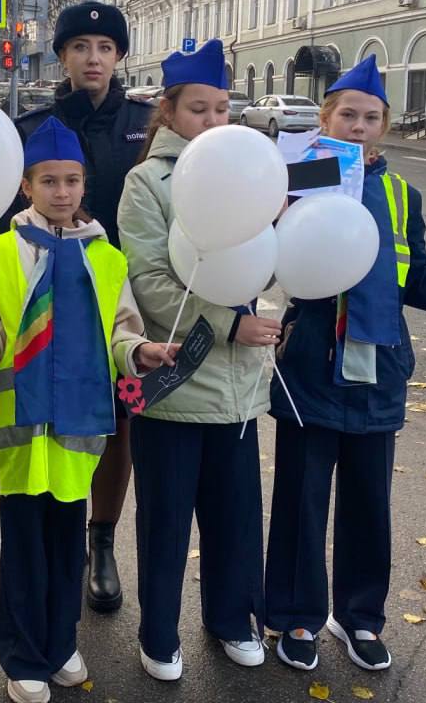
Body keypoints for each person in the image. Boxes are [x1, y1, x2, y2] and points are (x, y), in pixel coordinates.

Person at [264, 56, 426, 674]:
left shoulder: (404, 195)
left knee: (368, 506)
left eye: (370, 117)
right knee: (301, 501)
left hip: (379, 371)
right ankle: (294, 616)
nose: (358, 126)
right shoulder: (300, 178)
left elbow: (421, 285)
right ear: (325, 119)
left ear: (382, 126)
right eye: (347, 114)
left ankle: (359, 618)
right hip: (311, 365)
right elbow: (264, 263)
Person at [0, 116, 177, 703]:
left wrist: (144, 352)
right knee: (25, 543)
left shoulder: (106, 259)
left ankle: (59, 644)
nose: (62, 192)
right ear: (25, 187)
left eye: (73, 180)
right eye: (49, 181)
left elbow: (121, 334)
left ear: (85, 186)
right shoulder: (0, 253)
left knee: (66, 541)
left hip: (81, 428)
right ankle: (23, 653)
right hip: (23, 426)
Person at [116, 39, 281, 682]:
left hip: (239, 388)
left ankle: (230, 618)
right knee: (165, 521)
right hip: (174, 382)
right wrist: (229, 326)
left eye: (221, 109)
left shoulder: (246, 171)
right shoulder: (147, 183)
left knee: (235, 516)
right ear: (168, 112)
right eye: (198, 110)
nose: (213, 121)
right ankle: (159, 634)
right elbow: (153, 281)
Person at [0, 1, 153, 614]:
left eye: (105, 47)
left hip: (119, 294)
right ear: (61, 56)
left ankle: (102, 538)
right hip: (45, 302)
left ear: (118, 56)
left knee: (116, 423)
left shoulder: (145, 122)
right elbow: (0, 219)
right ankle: (53, 525)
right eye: (80, 46)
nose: (93, 58)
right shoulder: (31, 126)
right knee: (49, 418)